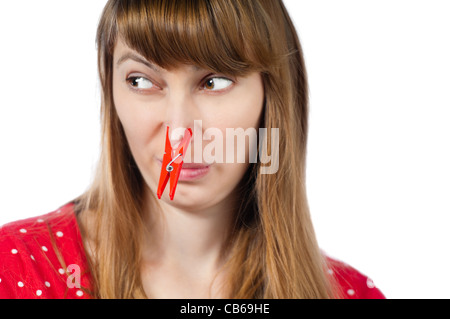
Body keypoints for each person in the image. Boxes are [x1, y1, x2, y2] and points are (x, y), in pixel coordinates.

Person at [0, 0, 385, 299]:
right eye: (141, 81)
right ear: (110, 89)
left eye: (214, 82)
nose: (180, 132)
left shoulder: (350, 292)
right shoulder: (16, 269)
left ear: (272, 96)